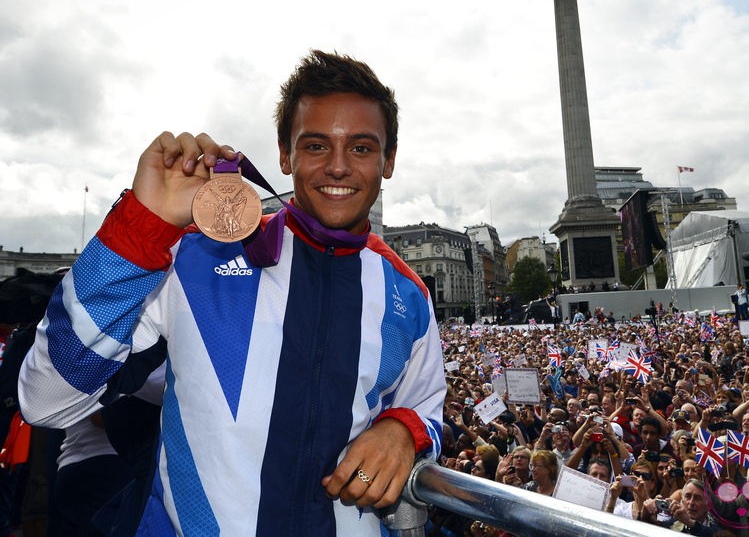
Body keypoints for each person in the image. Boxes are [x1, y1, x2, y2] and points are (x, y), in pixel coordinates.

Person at [18, 51, 446, 536]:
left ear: (389, 160)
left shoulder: (407, 295)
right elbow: (47, 399)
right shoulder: (195, 259)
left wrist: (405, 429)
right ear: (285, 155)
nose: (340, 167)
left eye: (363, 148)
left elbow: (430, 412)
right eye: (316, 146)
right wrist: (140, 228)